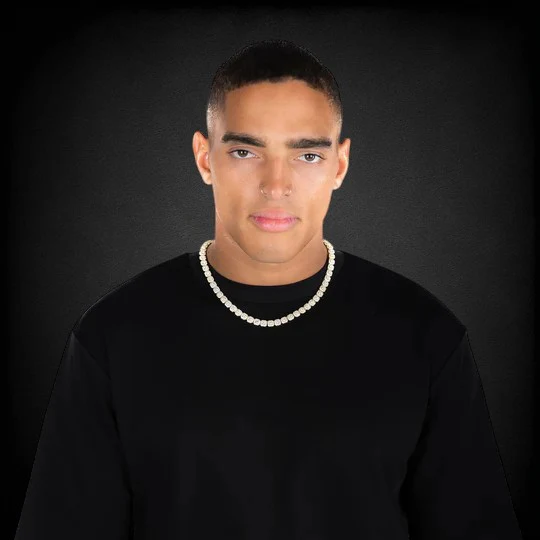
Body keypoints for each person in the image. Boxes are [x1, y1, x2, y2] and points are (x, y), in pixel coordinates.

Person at [15, 39, 523, 539]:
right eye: (244, 151)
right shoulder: (112, 337)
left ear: (340, 165)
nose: (276, 184)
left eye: (307, 155)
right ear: (205, 159)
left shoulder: (426, 336)